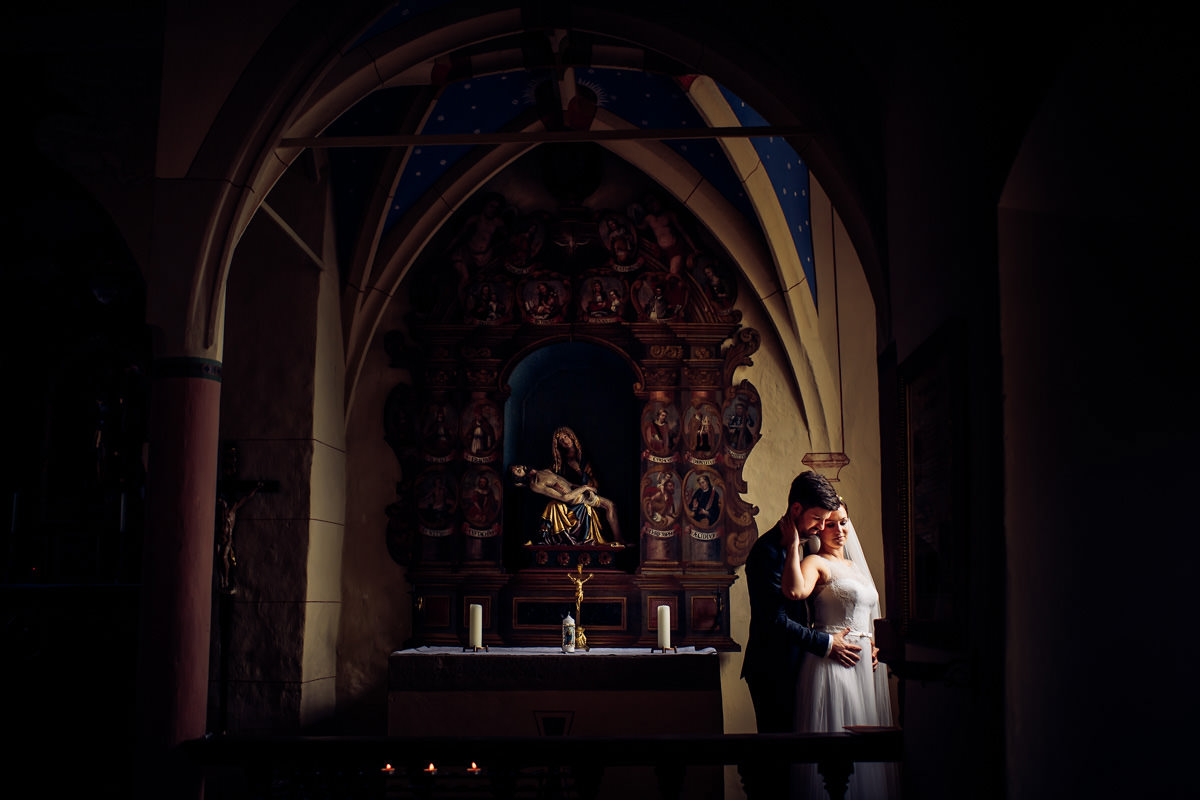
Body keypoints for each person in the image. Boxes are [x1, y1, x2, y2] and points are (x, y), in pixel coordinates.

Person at [739, 471, 861, 797]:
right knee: (780, 761)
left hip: (803, 666)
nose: (823, 527)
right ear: (795, 511)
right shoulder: (766, 552)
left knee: (805, 762)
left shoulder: (807, 546)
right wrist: (825, 643)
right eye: (818, 519)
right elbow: (775, 622)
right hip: (772, 669)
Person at [783, 498, 897, 799]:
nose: (838, 529)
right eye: (830, 524)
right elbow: (795, 591)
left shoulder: (856, 568)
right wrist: (794, 545)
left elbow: (867, 614)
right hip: (832, 663)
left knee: (865, 748)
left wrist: (873, 645)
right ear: (818, 530)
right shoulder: (814, 562)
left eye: (843, 522)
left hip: (863, 666)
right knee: (838, 741)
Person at [510, 464, 623, 547]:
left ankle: (619, 539)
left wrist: (582, 488)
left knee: (611, 505)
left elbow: (568, 483)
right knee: (610, 505)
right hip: (575, 498)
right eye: (515, 471)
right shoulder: (535, 484)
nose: (516, 468)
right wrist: (585, 488)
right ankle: (619, 540)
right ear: (519, 480)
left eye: (516, 467)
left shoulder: (543, 471)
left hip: (579, 492)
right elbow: (565, 497)